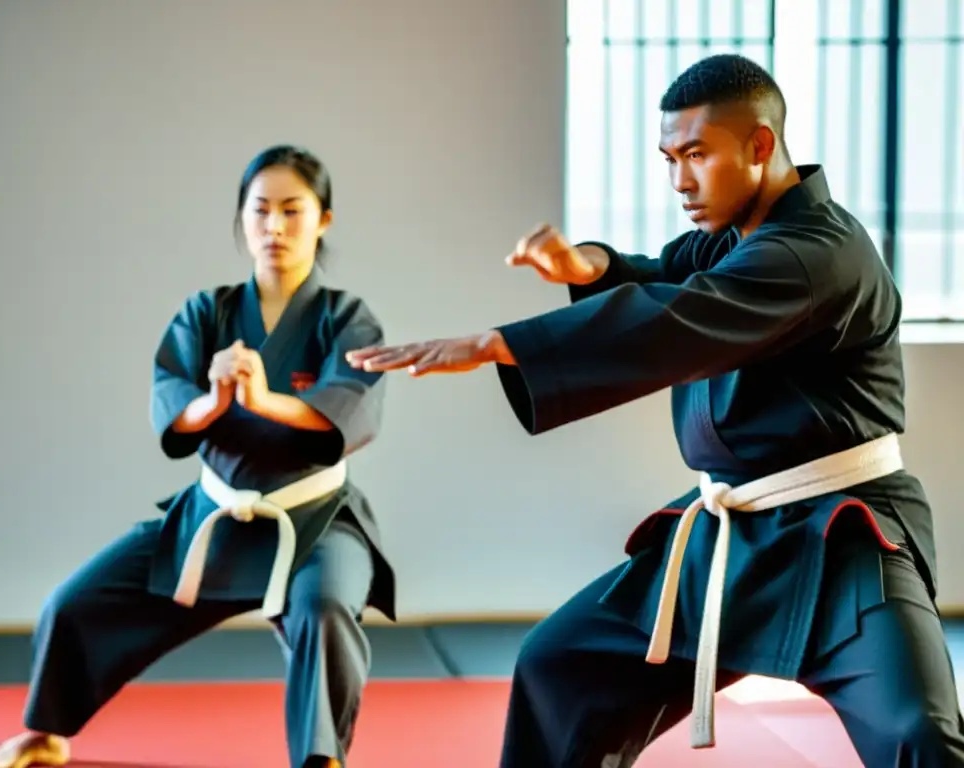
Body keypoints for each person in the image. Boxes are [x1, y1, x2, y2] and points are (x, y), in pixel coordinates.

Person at [347, 53, 964, 768]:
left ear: (761, 146)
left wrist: (499, 345)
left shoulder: (818, 252)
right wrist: (593, 268)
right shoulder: (732, 241)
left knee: (917, 733)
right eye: (669, 158)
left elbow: (679, 316)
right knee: (559, 669)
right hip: (731, 536)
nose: (680, 181)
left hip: (843, 537)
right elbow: (669, 276)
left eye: (697, 155)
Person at [0, 144, 395, 768]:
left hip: (314, 520)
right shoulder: (208, 312)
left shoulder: (346, 318)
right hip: (214, 512)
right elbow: (174, 409)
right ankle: (45, 734)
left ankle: (321, 761)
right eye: (260, 210)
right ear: (241, 219)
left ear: (323, 219)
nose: (274, 226)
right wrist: (219, 396)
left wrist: (266, 398)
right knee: (74, 603)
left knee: (327, 609)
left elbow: (348, 410)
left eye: (292, 210)